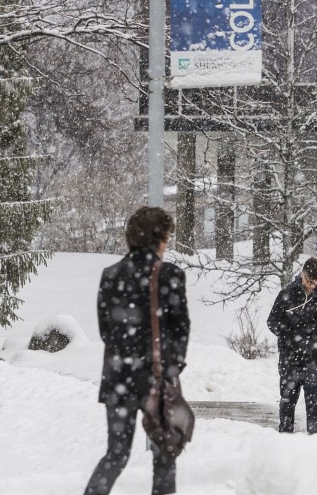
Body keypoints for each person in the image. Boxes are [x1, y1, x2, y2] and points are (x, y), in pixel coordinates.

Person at [84, 207, 190, 495]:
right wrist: (170, 370)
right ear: (159, 239)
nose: (167, 243)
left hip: (118, 378)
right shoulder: (170, 275)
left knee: (116, 454)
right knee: (165, 454)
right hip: (156, 377)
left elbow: (106, 330)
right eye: (167, 237)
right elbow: (181, 330)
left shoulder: (111, 274)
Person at [266, 256, 317, 434]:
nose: (312, 285)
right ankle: (284, 437)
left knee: (313, 402)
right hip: (290, 358)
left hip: (313, 359)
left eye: (316, 282)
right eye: (309, 281)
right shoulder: (287, 294)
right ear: (302, 274)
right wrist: (290, 336)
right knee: (287, 400)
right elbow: (272, 322)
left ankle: (315, 439)